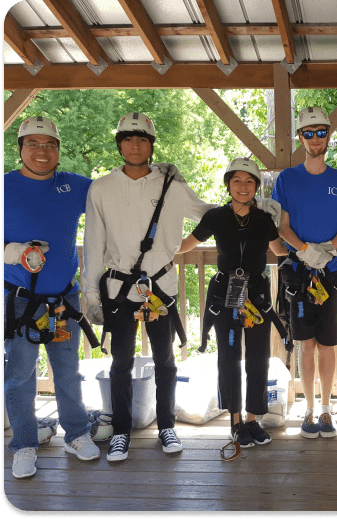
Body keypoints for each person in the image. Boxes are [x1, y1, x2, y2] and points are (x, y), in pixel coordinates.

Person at [82, 112, 214, 461]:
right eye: (128, 138)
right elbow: (93, 241)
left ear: (151, 146)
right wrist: (90, 292)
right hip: (120, 287)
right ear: (119, 144)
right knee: (120, 362)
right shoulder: (101, 188)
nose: (135, 145)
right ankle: (121, 432)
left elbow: (208, 213)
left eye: (142, 139)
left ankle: (166, 426)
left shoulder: (169, 184)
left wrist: (254, 208)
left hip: (160, 285)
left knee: (166, 360)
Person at [4, 116, 100, 478]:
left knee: (67, 370)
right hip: (20, 300)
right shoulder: (5, 186)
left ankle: (76, 434)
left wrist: (157, 179)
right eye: (33, 143)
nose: (41, 151)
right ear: (20, 149)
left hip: (64, 299)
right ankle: (24, 445)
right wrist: (11, 251)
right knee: (20, 375)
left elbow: (119, 199)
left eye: (49, 144)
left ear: (58, 151)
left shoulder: (75, 186)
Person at [178, 157, 287, 448]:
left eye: (249, 181)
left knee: (258, 358)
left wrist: (305, 247)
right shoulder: (215, 216)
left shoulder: (265, 219)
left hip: (257, 295)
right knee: (228, 358)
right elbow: (188, 243)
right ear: (228, 184)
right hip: (226, 293)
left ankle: (253, 419)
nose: (243, 186)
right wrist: (158, 254)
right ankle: (236, 421)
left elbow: (279, 249)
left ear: (256, 187)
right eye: (237, 180)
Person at [271, 107, 337, 439]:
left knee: (328, 344)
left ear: (328, 135)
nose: (315, 138)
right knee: (305, 344)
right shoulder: (287, 179)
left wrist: (329, 248)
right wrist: (305, 251)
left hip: (332, 274)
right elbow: (282, 225)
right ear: (300, 138)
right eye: (308, 133)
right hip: (300, 274)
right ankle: (308, 409)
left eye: (320, 132)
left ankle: (325, 409)